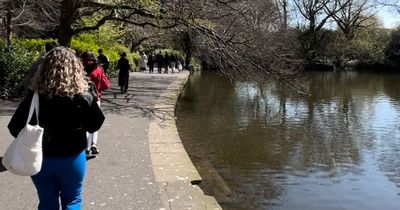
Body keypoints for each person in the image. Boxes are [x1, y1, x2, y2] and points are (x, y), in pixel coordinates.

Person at [8, 47, 105, 210]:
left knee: (47, 202)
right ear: (75, 68)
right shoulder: (83, 97)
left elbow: (14, 127)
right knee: (73, 200)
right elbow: (95, 124)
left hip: (41, 158)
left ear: (44, 68)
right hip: (72, 158)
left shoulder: (35, 97)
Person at [81, 51, 110, 156]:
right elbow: (106, 85)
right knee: (95, 122)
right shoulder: (98, 69)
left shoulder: (79, 68)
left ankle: (86, 147)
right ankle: (94, 144)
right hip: (95, 98)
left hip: (81, 99)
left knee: (84, 124)